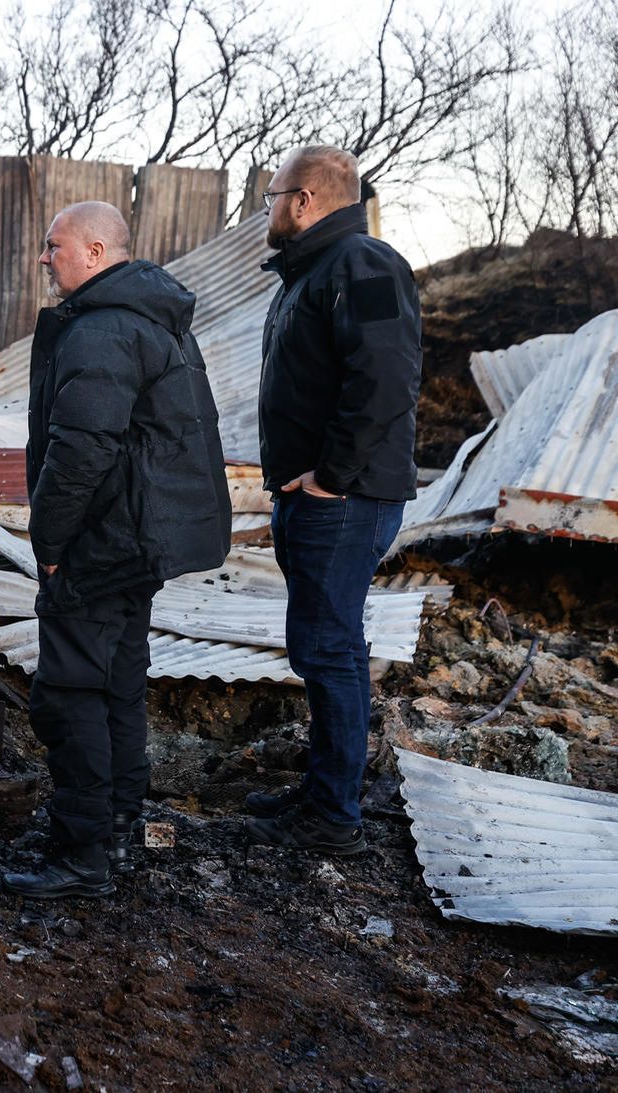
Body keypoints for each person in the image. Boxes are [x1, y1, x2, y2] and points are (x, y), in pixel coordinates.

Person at [4, 202, 232, 899]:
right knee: (119, 680)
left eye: (55, 246)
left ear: (96, 251)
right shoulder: (147, 318)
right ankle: (122, 826)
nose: (46, 258)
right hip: (139, 538)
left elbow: (80, 452)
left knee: (70, 690)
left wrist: (50, 543)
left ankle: (82, 854)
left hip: (102, 541)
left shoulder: (102, 330)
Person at [244, 146, 421, 854]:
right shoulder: (315, 269)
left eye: (273, 196)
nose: (268, 207)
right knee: (321, 646)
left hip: (346, 499)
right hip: (323, 497)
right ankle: (324, 792)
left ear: (307, 200)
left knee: (332, 648)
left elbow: (385, 377)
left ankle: (336, 816)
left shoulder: (363, 264)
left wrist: (332, 476)